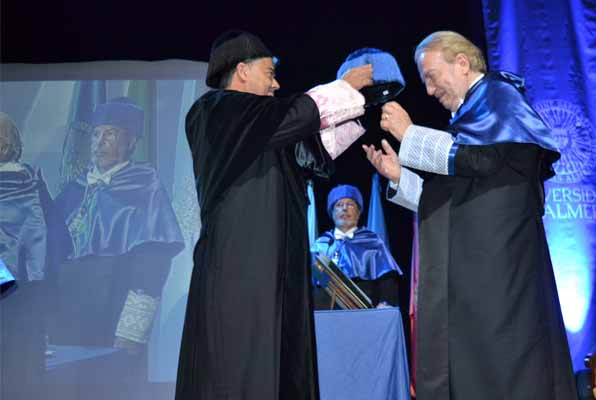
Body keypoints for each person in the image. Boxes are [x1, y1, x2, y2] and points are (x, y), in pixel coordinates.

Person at [364, 31, 577, 399]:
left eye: (431, 76)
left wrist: (411, 135)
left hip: (500, 272)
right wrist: (400, 175)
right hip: (478, 273)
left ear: (462, 63)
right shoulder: (472, 118)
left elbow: (481, 159)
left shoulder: (498, 95)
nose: (429, 90)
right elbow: (452, 195)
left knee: (506, 366)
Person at [176, 30, 373, 400]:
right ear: (242, 71)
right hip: (239, 268)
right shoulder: (215, 111)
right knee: (238, 365)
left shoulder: (261, 127)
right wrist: (343, 87)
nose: (276, 84)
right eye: (270, 74)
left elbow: (308, 147)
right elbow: (296, 115)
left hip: (276, 268)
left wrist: (363, 101)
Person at [53, 98, 184, 363]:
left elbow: (153, 266)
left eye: (110, 134)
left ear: (132, 141)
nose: (99, 143)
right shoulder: (73, 189)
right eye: (96, 134)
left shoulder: (146, 188)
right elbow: (47, 251)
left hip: (112, 319)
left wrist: (131, 332)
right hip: (63, 317)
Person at [0, 112, 70, 399]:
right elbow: (61, 245)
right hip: (28, 303)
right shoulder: (35, 185)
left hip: (9, 302)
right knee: (25, 375)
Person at [312, 184, 402, 309]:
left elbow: (388, 278)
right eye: (339, 205)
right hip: (324, 315)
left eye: (350, 204)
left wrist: (385, 303)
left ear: (358, 212)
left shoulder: (373, 242)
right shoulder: (319, 246)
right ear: (331, 212)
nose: (344, 209)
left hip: (364, 315)